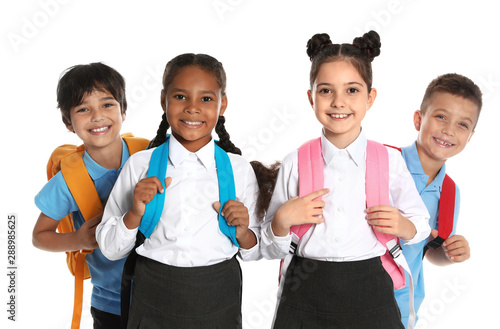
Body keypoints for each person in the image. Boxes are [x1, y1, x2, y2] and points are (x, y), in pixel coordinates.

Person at [260, 31, 431, 328]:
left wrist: (405, 226)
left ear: (370, 97)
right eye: (326, 91)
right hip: (305, 290)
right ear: (311, 98)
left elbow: (421, 223)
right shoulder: (295, 163)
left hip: (371, 289)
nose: (339, 102)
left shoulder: (389, 162)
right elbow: (269, 246)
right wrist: (281, 222)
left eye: (352, 90)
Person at [96, 53, 262, 329]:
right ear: (164, 101)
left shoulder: (239, 169)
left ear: (223, 104)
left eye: (206, 98)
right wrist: (134, 213)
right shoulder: (141, 165)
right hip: (153, 295)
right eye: (180, 97)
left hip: (218, 296)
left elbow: (256, 250)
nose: (193, 108)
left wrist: (244, 231)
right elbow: (111, 249)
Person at [33, 62, 145, 328]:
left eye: (107, 104)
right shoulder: (68, 182)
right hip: (111, 303)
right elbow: (39, 236)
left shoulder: (148, 155)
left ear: (123, 110)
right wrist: (78, 238)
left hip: (164, 293)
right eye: (83, 109)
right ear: (68, 122)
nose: (97, 116)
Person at [395, 73, 479, 327]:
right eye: (441, 116)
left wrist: (450, 252)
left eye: (462, 125)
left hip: (400, 309)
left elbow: (431, 252)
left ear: (470, 137)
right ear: (418, 119)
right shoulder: (384, 163)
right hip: (348, 295)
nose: (449, 130)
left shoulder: (451, 194)